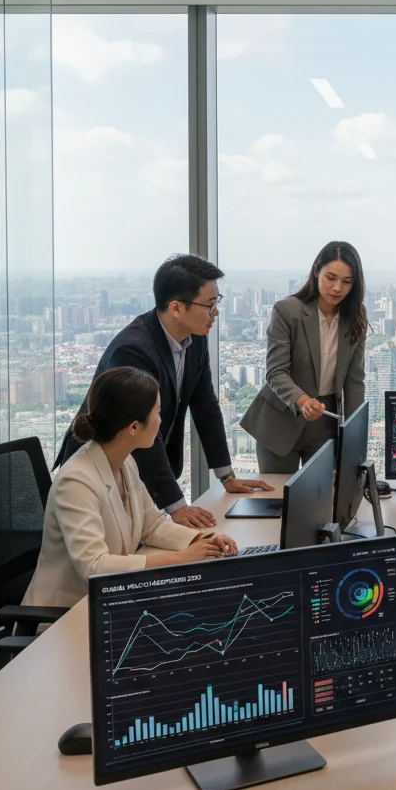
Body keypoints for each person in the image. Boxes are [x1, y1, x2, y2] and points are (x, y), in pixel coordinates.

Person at [56, 255, 272, 529]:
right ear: (176, 308)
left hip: (138, 480)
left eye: (217, 302)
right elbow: (140, 430)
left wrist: (226, 475)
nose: (216, 312)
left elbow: (205, 405)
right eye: (209, 305)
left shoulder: (195, 341)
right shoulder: (133, 351)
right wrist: (176, 506)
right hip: (103, 476)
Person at [25, 368, 238, 610]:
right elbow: (94, 567)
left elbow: (152, 525)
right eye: (157, 411)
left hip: (110, 603)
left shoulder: (124, 461)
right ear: (134, 427)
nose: (161, 419)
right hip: (65, 616)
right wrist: (181, 559)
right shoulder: (75, 481)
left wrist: (202, 540)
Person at [241, 242, 367, 473]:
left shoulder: (355, 317)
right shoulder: (287, 311)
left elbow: (354, 381)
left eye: (347, 282)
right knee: (276, 500)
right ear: (317, 270)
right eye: (331, 277)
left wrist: (354, 435)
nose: (337, 287)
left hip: (325, 422)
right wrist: (302, 401)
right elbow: (276, 371)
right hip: (280, 419)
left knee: (321, 500)